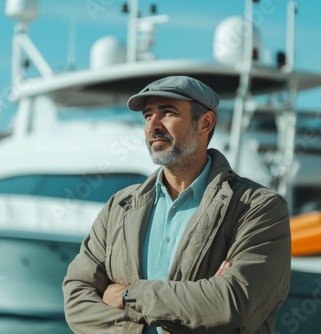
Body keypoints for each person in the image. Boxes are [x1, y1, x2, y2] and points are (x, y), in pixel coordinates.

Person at [62, 76, 291, 334]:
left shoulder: (258, 207)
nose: (153, 125)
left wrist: (128, 295)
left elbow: (232, 303)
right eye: (148, 115)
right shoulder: (120, 207)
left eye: (167, 112)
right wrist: (191, 304)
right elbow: (76, 298)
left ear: (205, 123)